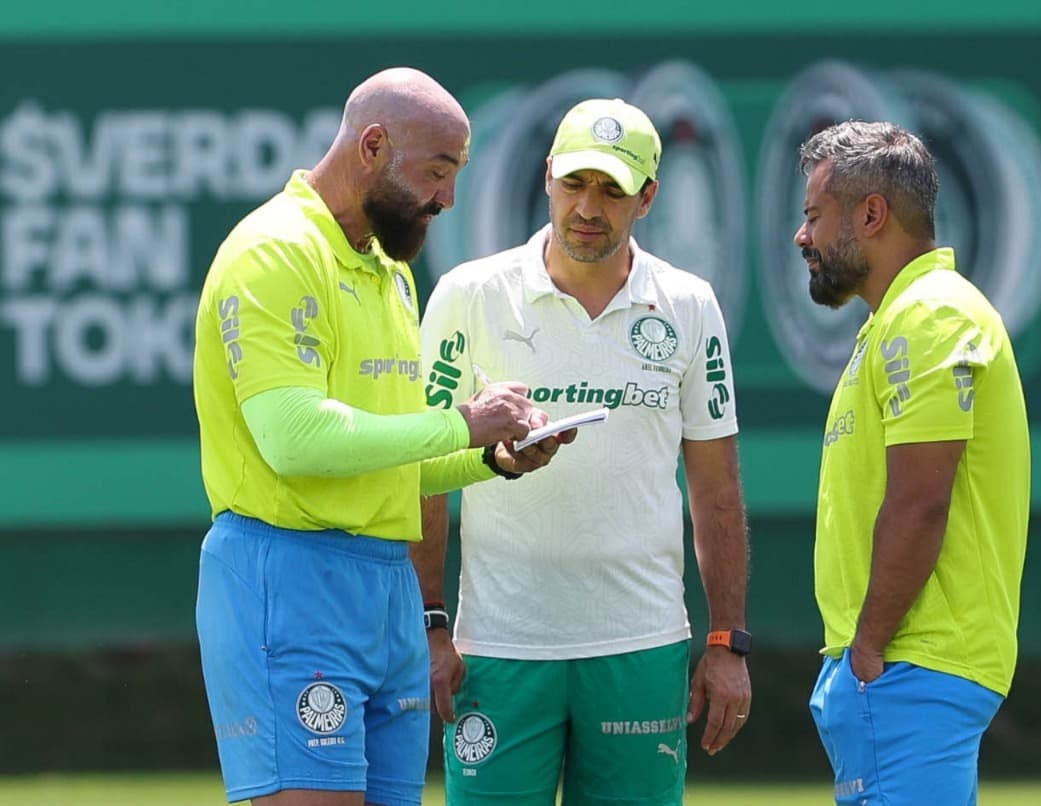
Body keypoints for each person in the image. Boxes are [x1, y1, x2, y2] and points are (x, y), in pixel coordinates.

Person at [192, 67, 567, 806]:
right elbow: (295, 442)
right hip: (288, 577)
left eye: (457, 174)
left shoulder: (388, 273)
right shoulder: (273, 252)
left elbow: (392, 459)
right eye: (437, 171)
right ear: (372, 145)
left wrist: (493, 459)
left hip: (385, 589)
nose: (448, 198)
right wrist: (464, 421)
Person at [413, 97, 751, 805]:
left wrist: (726, 641)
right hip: (499, 649)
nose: (588, 208)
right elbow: (423, 476)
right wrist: (430, 624)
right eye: (575, 184)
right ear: (546, 179)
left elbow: (716, 489)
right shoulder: (466, 295)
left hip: (641, 645)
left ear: (648, 197)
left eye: (612, 189)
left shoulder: (690, 305)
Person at [793, 120, 1030, 805]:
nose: (801, 236)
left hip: (908, 666)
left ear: (872, 214)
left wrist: (867, 652)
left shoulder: (928, 316)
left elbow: (920, 501)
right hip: (904, 669)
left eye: (813, 215)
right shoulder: (903, 318)